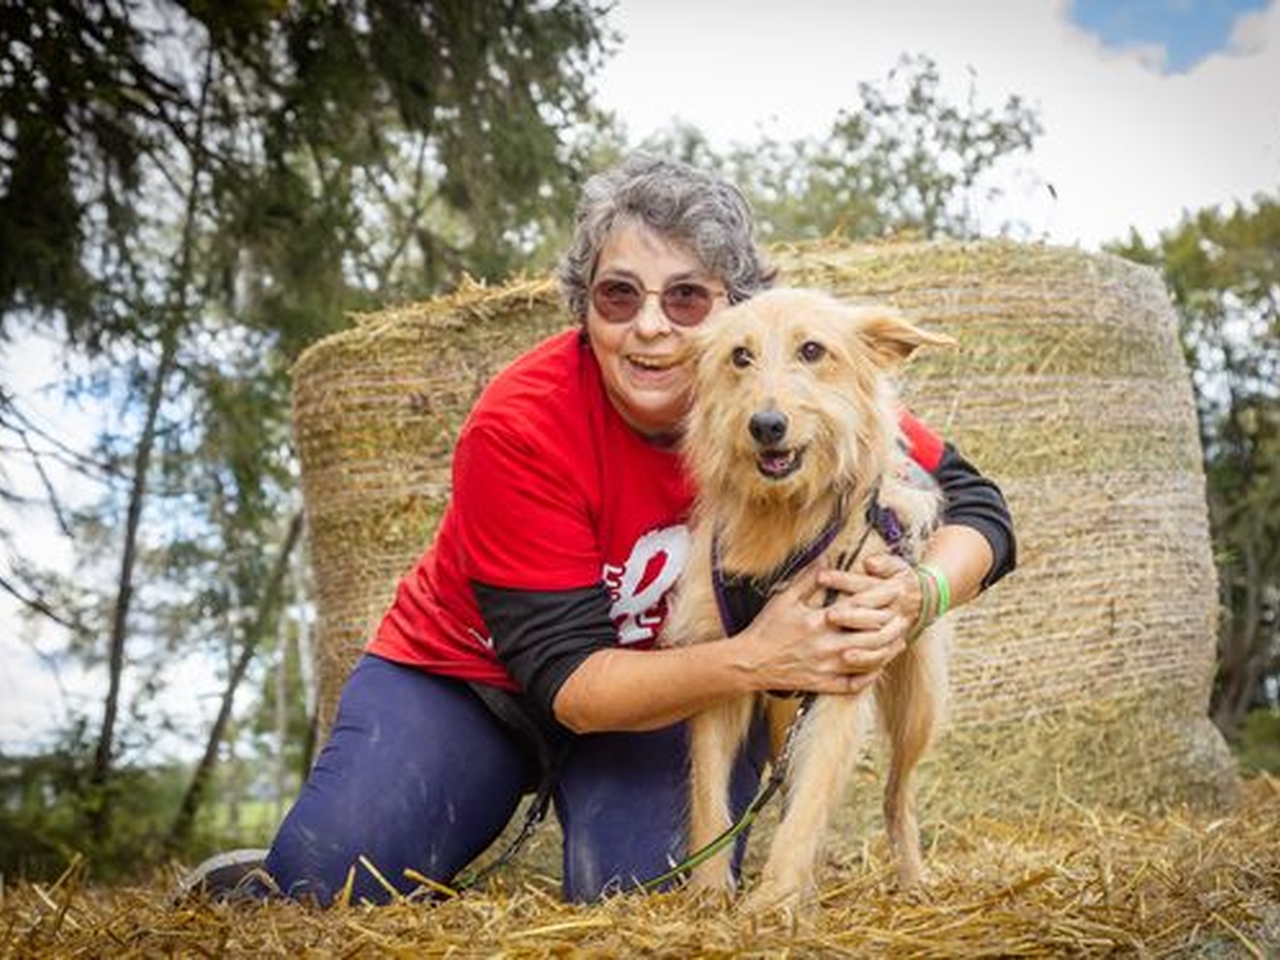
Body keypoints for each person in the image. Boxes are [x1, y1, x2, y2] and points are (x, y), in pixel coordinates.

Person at [185, 154, 1016, 905]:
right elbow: (568, 680)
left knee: (641, 898)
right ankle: (318, 849)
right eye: (619, 295)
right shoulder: (519, 425)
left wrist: (918, 592)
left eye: (685, 297)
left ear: (733, 311)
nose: (651, 326)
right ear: (585, 306)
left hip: (668, 693)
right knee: (323, 889)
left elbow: (980, 507)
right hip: (467, 683)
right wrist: (760, 657)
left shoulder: (791, 403)